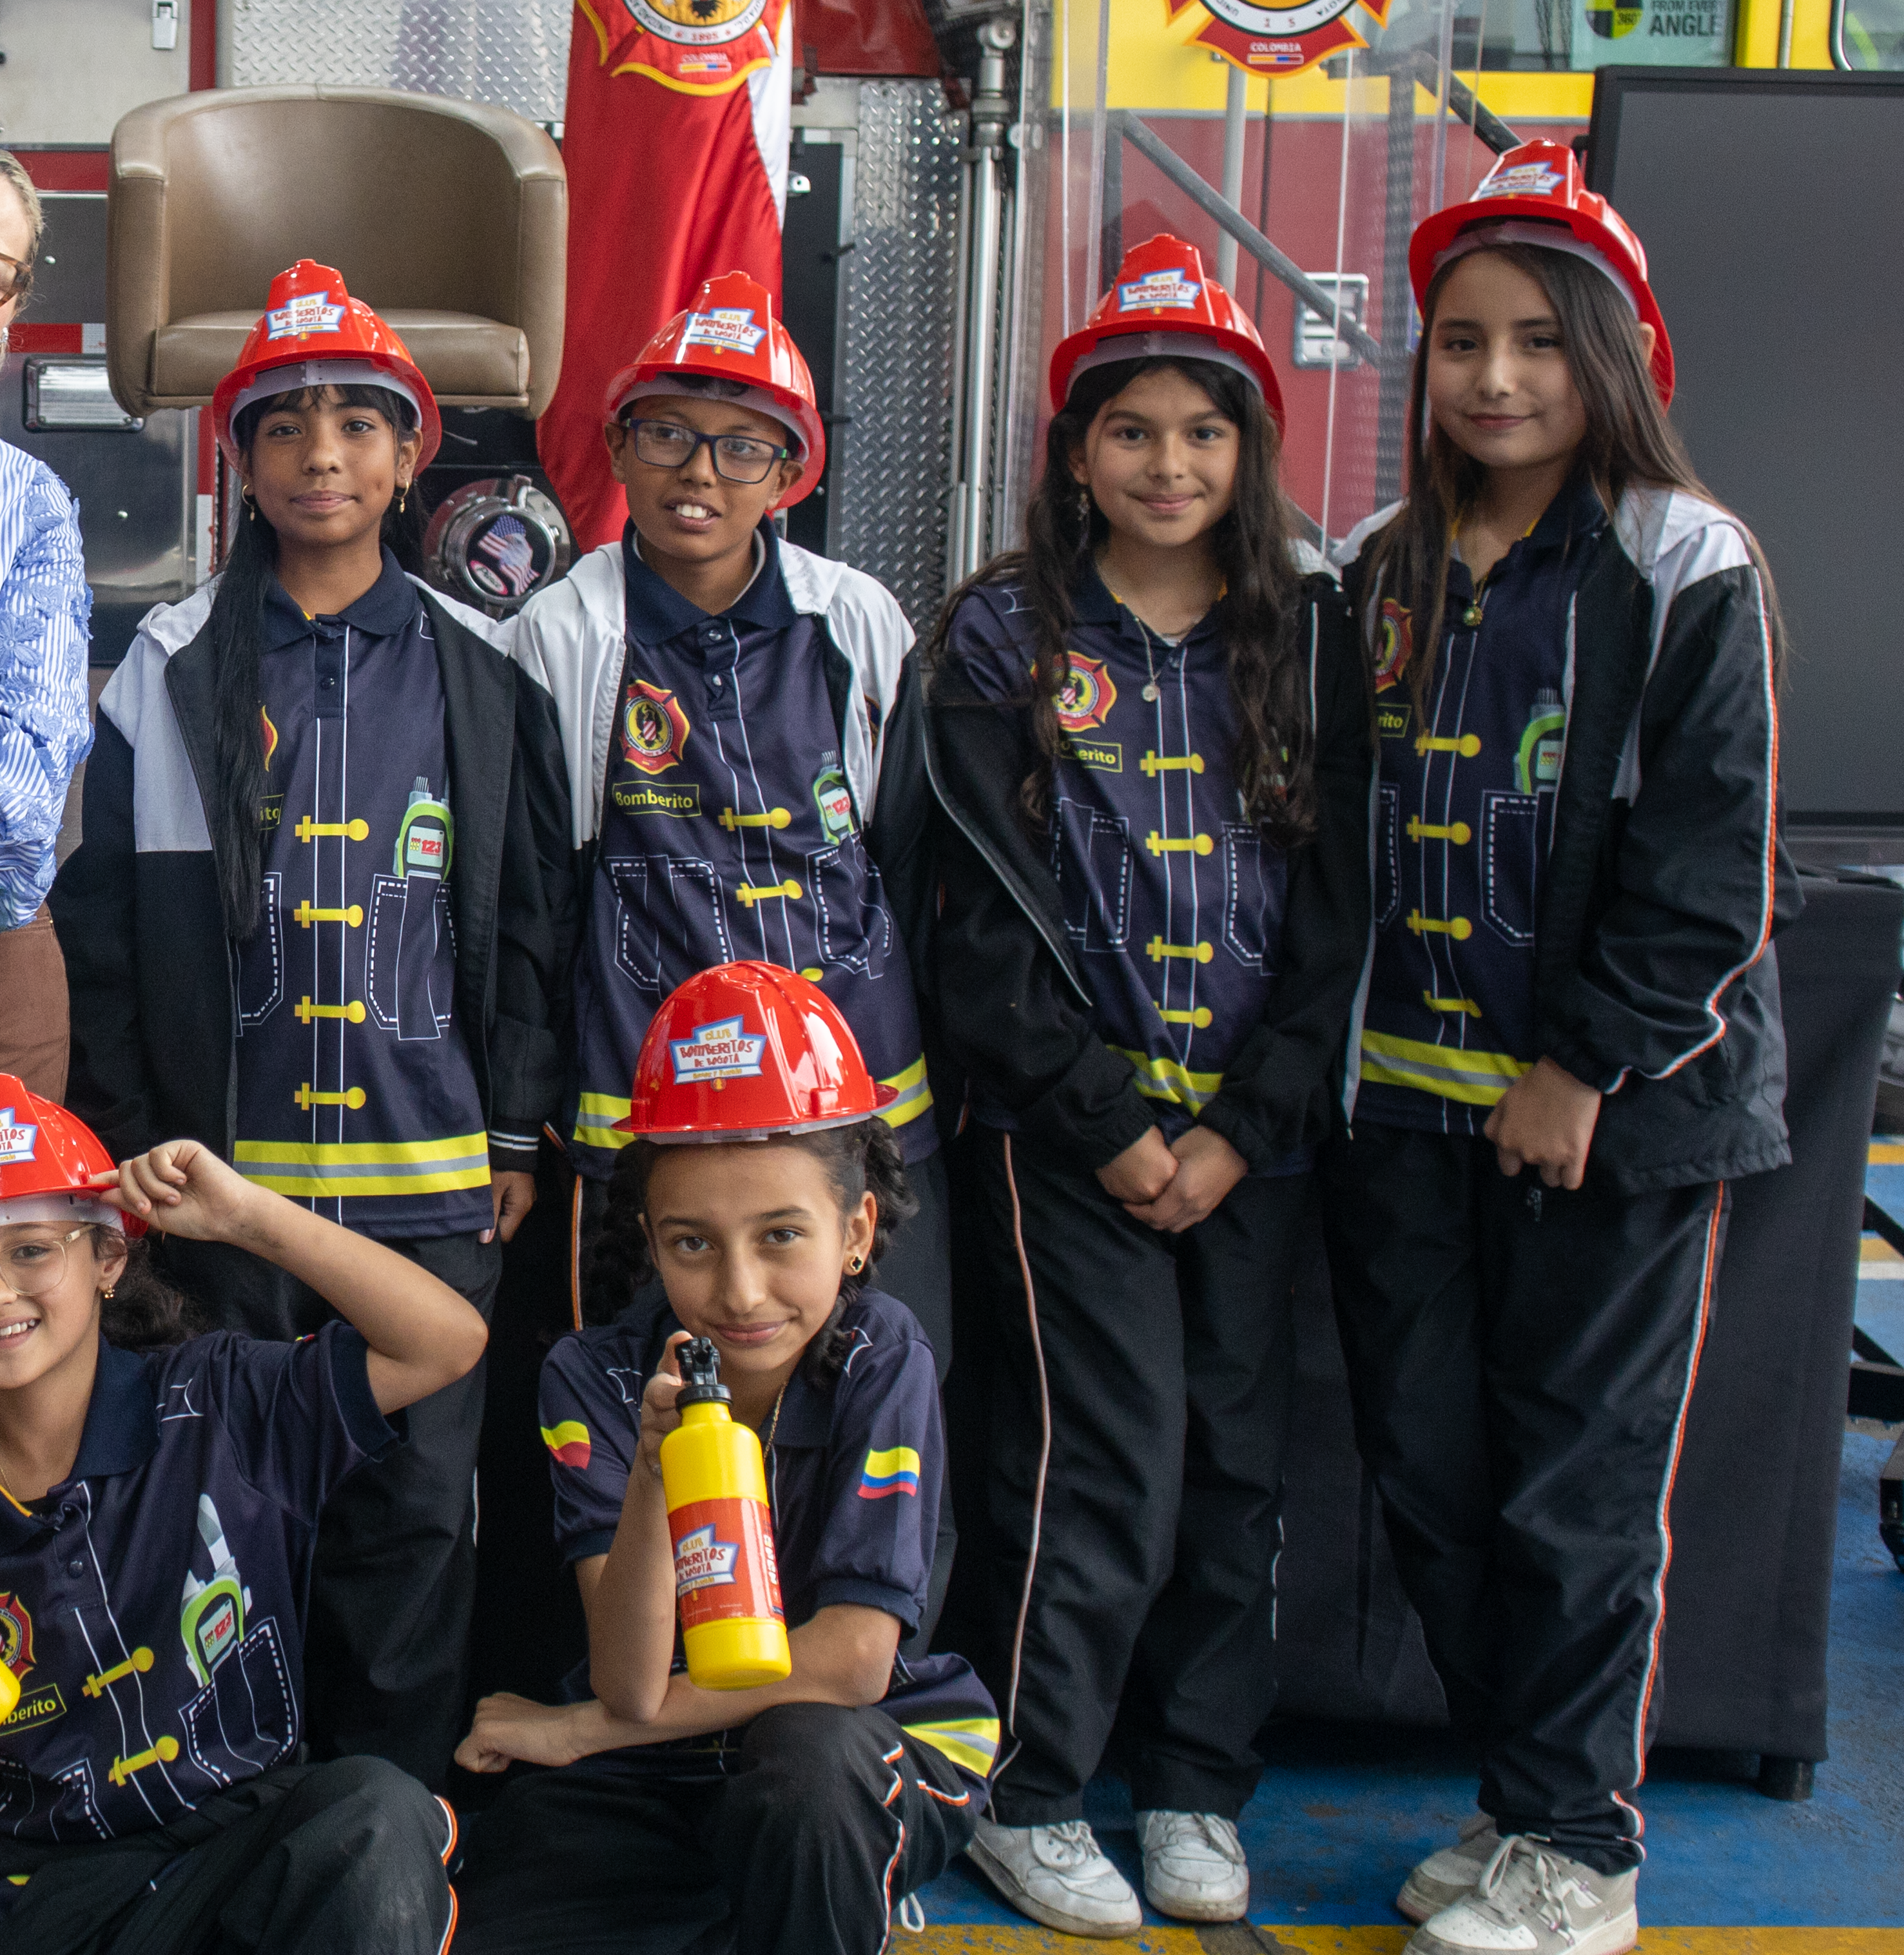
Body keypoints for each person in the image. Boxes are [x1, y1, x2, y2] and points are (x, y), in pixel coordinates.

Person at [1324, 141, 1780, 1955]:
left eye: (1536, 338)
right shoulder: (1386, 565)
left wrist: (1582, 1065)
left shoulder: (1687, 562)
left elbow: (1707, 868)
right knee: (1434, 1477)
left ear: (1615, 353)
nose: (1495, 375)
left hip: (1614, 1126)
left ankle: (1581, 1845)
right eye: (1459, 340)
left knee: (1572, 1487)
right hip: (1408, 1123)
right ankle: (1521, 1801)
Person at [892, 238, 1372, 1932]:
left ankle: (1192, 1785)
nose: (1169, 464)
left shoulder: (1314, 632)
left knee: (1238, 1465)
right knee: (1099, 1461)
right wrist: (1113, 1123)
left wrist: (1245, 1125)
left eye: (1205, 432)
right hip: (1065, 1141)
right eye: (1132, 430)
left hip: (1252, 1145)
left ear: (1250, 448)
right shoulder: (999, 638)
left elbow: (1339, 916)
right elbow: (969, 922)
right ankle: (1030, 1788)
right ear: (1073, 450)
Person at [55, 259, 570, 1785]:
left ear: (415, 455)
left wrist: (519, 1129)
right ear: (244, 460)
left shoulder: (490, 679)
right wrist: (143, 1143)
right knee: (226, 1515)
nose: (323, 454)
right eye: (286, 426)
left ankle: (392, 1831)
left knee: (413, 1524)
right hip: (227, 1197)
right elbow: (102, 941)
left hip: (429, 1199)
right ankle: (236, 1821)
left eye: (360, 422)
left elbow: (531, 924)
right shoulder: (165, 673)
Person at [0, 1069, 485, 1954]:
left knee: (376, 1812)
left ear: (108, 1258)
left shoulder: (222, 1404)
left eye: (31, 1250)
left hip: (247, 1845)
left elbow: (448, 1341)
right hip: (59, 1878)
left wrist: (250, 1216)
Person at [449, 964, 995, 1955]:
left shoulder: (885, 1356)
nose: (741, 1291)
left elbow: (855, 1661)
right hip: (667, 1760)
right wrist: (657, 1475)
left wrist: (579, 1733)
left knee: (807, 1776)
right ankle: (756, 1899)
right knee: (497, 1902)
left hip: (869, 1741)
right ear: (651, 1242)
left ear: (858, 1231)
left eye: (782, 1235)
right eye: (693, 1242)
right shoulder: (594, 1375)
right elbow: (627, 1677)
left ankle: (829, 1873)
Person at [492, 275, 949, 1344]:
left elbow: (913, 864)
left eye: (743, 447)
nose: (699, 472)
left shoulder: (856, 621)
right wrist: (519, 1123)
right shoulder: (562, 632)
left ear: (789, 473)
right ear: (616, 447)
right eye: (668, 435)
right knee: (643, 1412)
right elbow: (534, 899)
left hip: (852, 1107)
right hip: (649, 1116)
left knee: (872, 1402)